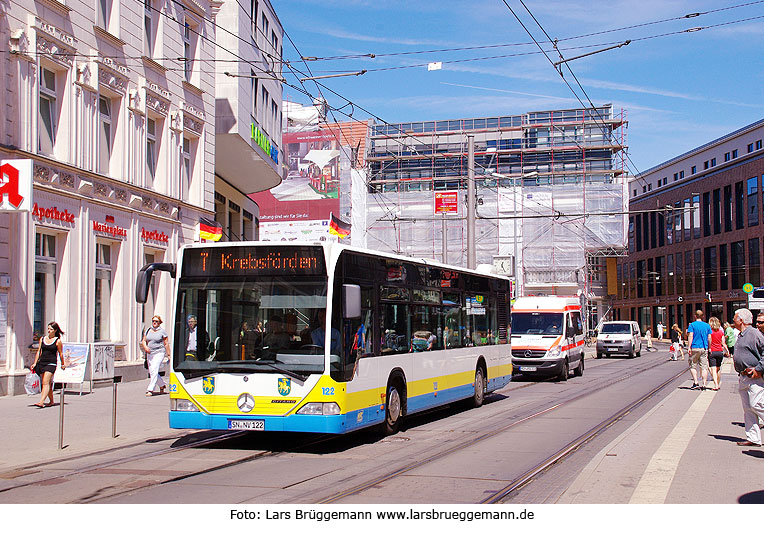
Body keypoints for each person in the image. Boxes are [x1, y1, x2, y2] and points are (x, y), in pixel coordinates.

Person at [731, 308, 764, 447]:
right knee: (748, 409)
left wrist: (759, 369)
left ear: (741, 320)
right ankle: (753, 438)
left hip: (755, 375)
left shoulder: (754, 334)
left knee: (756, 404)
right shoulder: (742, 334)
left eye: (735, 317)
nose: (733, 320)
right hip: (744, 376)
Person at [30, 322, 66, 408]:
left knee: (45, 382)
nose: (49, 331)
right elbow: (39, 351)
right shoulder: (42, 339)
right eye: (48, 329)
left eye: (51, 329)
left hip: (52, 363)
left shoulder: (58, 341)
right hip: (42, 362)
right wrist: (35, 363)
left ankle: (41, 401)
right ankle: (52, 401)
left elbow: (60, 353)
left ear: (55, 330)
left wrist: (63, 364)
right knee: (47, 383)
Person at [141, 315, 170, 397]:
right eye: (153, 321)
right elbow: (143, 340)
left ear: (159, 323)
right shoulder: (148, 330)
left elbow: (166, 343)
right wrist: (145, 347)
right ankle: (162, 385)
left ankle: (150, 389)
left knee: (154, 369)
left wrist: (169, 355)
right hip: (150, 353)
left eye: (156, 321)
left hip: (159, 352)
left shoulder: (162, 332)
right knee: (152, 371)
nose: (154, 323)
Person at [687, 309, 712, 390]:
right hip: (704, 348)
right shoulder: (707, 325)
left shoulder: (692, 325)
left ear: (695, 316)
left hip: (694, 347)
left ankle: (696, 382)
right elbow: (709, 337)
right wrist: (709, 347)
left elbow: (690, 336)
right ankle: (704, 384)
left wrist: (689, 347)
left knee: (693, 366)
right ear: (703, 316)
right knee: (704, 367)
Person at [707, 316, 729, 391]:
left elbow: (709, 340)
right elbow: (723, 343)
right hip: (720, 351)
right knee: (718, 369)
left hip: (712, 351)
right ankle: (718, 383)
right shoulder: (721, 332)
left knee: (712, 369)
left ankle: (716, 385)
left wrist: (709, 348)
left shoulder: (710, 332)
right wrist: (727, 351)